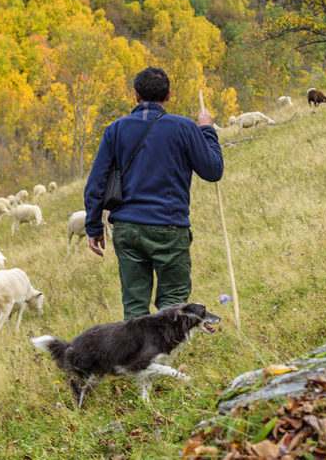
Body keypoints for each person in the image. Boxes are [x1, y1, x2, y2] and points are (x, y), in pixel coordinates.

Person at [83, 67, 223, 319]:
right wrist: (207, 129)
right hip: (169, 226)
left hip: (127, 228)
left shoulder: (115, 130)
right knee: (173, 305)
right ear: (168, 95)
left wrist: (94, 227)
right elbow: (213, 170)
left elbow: (96, 183)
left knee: (135, 306)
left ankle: (137, 358)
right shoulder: (184, 127)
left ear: (136, 95)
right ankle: (161, 357)